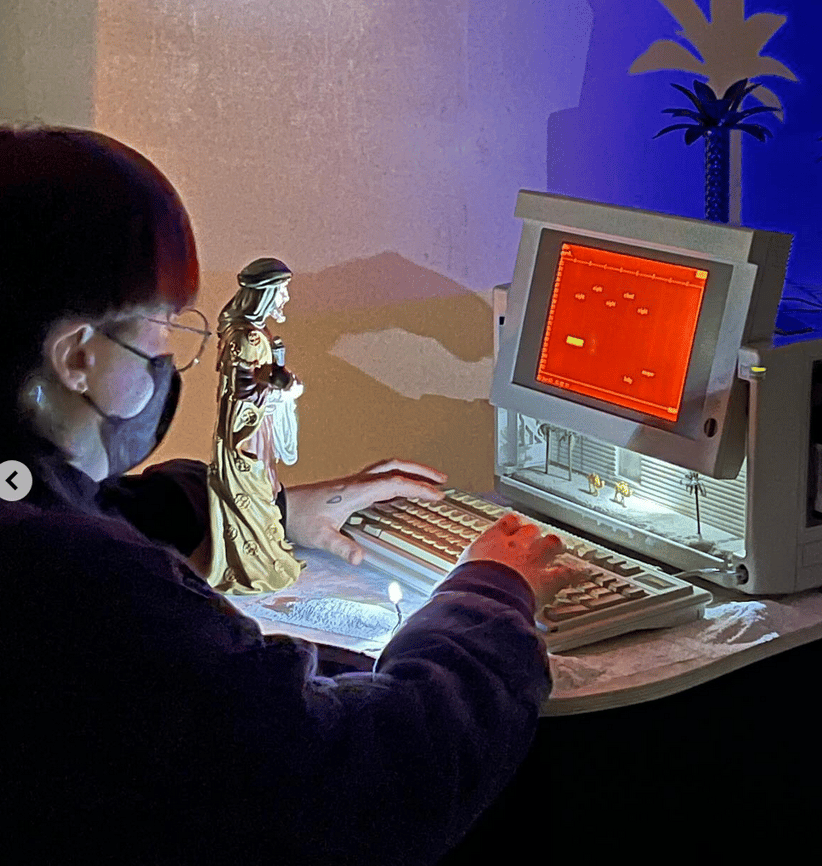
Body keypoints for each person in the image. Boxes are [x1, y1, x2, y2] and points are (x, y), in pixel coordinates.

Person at [1, 126, 573, 865]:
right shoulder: (85, 585)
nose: (175, 354)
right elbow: (363, 781)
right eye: (165, 326)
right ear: (79, 357)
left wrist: (264, 513)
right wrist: (491, 595)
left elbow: (75, 511)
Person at [206, 256, 306, 593]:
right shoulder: (249, 338)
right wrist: (284, 386)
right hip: (245, 431)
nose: (286, 299)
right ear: (264, 293)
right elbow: (244, 387)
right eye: (281, 292)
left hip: (249, 426)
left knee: (262, 492)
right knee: (252, 493)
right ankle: (252, 567)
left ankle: (262, 560)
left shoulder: (252, 334)